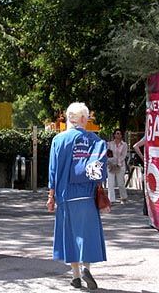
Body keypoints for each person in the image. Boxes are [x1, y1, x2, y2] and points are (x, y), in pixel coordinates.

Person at [46, 102, 107, 290]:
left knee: (69, 235)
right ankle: (85, 268)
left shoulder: (59, 140)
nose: (88, 120)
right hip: (87, 195)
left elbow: (53, 171)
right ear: (82, 118)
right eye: (87, 117)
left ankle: (75, 276)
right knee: (87, 234)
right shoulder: (95, 140)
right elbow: (99, 168)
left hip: (66, 195)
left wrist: (51, 196)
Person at [107, 128, 128, 204]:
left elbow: (124, 155)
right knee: (110, 183)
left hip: (120, 165)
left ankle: (123, 197)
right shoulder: (109, 144)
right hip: (111, 165)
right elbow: (108, 154)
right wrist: (111, 162)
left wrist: (118, 162)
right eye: (117, 133)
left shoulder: (124, 144)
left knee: (120, 183)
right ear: (114, 135)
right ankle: (111, 199)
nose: (118, 135)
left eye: (120, 134)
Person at [133, 136, 148, 215]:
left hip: (148, 164)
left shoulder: (148, 135)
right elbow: (135, 146)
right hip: (154, 163)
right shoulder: (148, 136)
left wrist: (143, 158)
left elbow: (136, 146)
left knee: (147, 187)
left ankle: (146, 209)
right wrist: (143, 158)